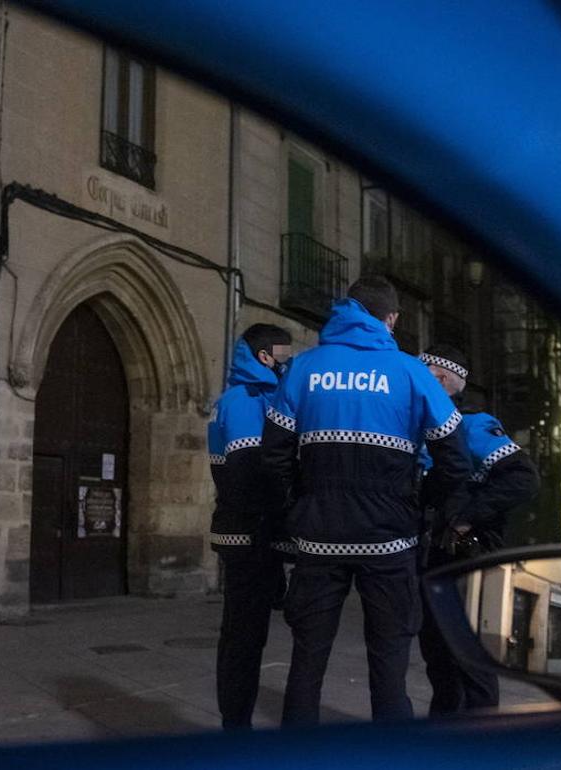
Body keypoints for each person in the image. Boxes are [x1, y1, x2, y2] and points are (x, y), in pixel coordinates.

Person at [262, 275, 472, 727]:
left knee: (307, 661)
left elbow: (273, 457)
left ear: (346, 310)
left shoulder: (303, 368)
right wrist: (422, 506)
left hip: (318, 536)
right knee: (390, 665)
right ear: (390, 319)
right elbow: (455, 460)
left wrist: (297, 507)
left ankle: (297, 755)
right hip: (390, 540)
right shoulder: (412, 373)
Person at [417, 343, 541, 715]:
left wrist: (466, 517)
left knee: (470, 659)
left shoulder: (471, 424)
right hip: (434, 555)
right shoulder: (427, 424)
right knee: (438, 657)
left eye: (423, 376)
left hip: (467, 555)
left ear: (440, 379)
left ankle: (481, 734)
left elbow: (523, 478)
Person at [207, 323, 294, 730]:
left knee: (248, 632)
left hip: (256, 533)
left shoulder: (257, 397)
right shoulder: (244, 400)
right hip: (249, 535)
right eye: (284, 355)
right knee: (243, 635)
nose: (288, 362)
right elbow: (247, 474)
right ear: (264, 356)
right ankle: (236, 724)